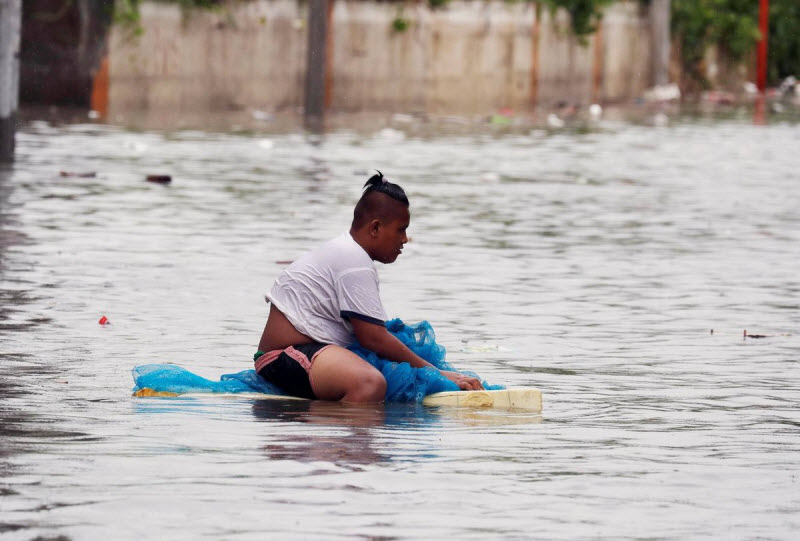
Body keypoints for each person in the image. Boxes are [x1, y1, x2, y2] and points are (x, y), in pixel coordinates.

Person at [254, 172, 483, 403]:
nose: (405, 239)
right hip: (282, 356)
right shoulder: (354, 260)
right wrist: (437, 373)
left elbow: (373, 335)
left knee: (395, 353)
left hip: (315, 350)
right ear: (375, 228)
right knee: (370, 384)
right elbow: (372, 338)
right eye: (401, 229)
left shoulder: (350, 253)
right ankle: (324, 433)